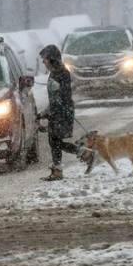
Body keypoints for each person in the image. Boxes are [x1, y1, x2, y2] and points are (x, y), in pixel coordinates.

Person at [37, 45, 92, 181]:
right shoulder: (54, 72)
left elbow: (63, 97)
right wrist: (46, 112)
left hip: (62, 112)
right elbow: (54, 97)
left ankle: (62, 167)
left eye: (45, 59)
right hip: (56, 112)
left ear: (51, 58)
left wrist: (50, 112)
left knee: (55, 141)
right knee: (54, 141)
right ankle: (81, 155)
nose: (43, 62)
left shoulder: (62, 72)